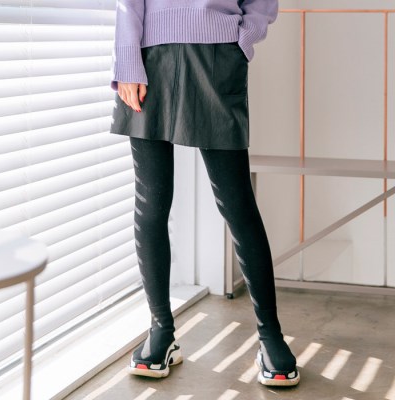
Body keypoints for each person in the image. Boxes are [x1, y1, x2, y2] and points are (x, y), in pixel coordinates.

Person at [109, 0, 300, 387]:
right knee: (151, 205)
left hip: (218, 54)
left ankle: (271, 337)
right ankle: (161, 331)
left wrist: (242, 38)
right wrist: (127, 59)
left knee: (238, 205)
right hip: (149, 57)